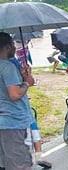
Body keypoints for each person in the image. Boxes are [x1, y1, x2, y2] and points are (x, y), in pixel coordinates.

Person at [9, 55, 52, 169]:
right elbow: (16, 93)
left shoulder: (12, 62)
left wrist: (25, 75)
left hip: (19, 108)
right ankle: (35, 157)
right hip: (16, 110)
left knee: (32, 128)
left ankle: (37, 156)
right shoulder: (9, 65)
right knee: (29, 130)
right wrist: (27, 81)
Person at [0, 32, 35, 170]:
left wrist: (21, 77)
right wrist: (27, 83)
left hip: (3, 122)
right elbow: (14, 94)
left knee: (4, 164)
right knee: (19, 165)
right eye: (13, 44)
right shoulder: (7, 67)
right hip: (13, 122)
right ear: (8, 46)